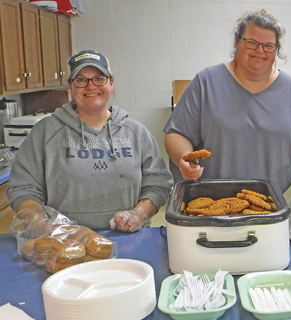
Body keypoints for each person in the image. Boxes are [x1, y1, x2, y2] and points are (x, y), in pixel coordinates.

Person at [7, 50, 173, 232]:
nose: (90, 86)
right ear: (70, 86)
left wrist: (139, 214)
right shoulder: (45, 132)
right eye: (81, 80)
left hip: (128, 237)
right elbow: (23, 189)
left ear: (111, 83)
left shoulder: (136, 133)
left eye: (99, 78)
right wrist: (40, 223)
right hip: (65, 243)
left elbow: (158, 184)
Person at [163, 9, 291, 193]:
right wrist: (185, 158)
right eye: (252, 43)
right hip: (216, 206)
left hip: (278, 207)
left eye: (268, 45)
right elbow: (177, 134)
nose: (260, 51)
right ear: (237, 42)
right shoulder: (206, 83)